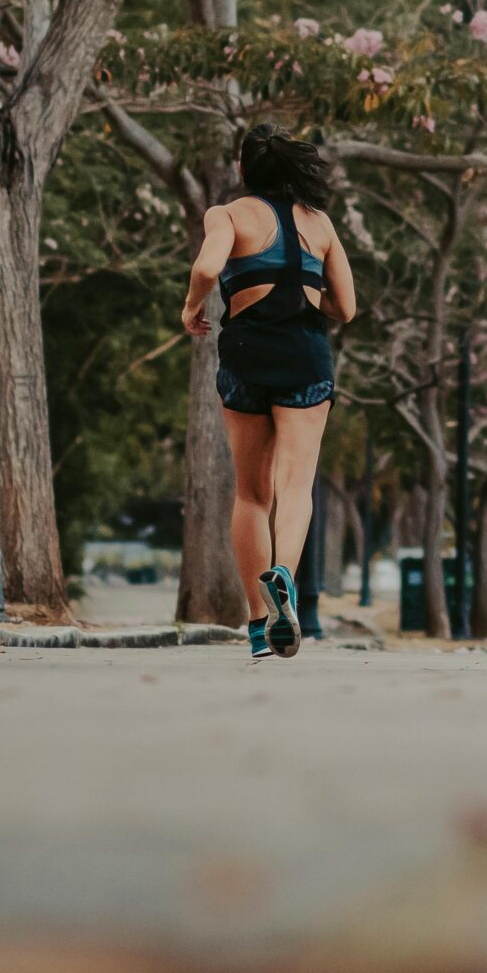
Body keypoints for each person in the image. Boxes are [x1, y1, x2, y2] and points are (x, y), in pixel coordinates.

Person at [182, 125, 357, 659]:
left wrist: (192, 307)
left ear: (244, 168)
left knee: (251, 493)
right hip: (305, 357)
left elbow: (209, 266)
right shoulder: (320, 224)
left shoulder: (228, 215)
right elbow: (346, 308)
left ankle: (259, 626)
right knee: (295, 486)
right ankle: (284, 576)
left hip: (245, 358)